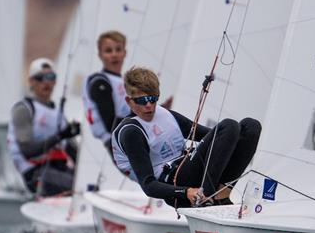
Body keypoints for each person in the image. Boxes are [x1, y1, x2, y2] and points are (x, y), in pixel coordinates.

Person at [111, 67, 261, 207]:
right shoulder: (131, 132)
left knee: (250, 126)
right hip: (177, 187)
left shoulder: (166, 115)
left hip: (189, 169)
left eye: (153, 98)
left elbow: (217, 136)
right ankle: (205, 198)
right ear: (129, 101)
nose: (149, 105)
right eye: (142, 100)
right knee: (229, 125)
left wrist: (246, 146)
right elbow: (148, 186)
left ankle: (221, 195)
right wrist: (186, 192)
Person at [7, 58, 80, 196]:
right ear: (31, 82)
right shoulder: (23, 109)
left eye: (51, 77)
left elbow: (72, 151)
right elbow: (27, 150)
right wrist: (60, 136)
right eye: (40, 78)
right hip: (35, 174)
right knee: (78, 186)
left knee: (88, 183)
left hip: (58, 169)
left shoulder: (58, 113)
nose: (46, 82)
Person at [82, 31, 131, 153]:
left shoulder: (124, 81)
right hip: (117, 143)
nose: (114, 55)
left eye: (118, 50)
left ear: (124, 53)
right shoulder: (99, 82)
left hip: (129, 137)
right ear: (100, 55)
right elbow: (111, 124)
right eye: (108, 51)